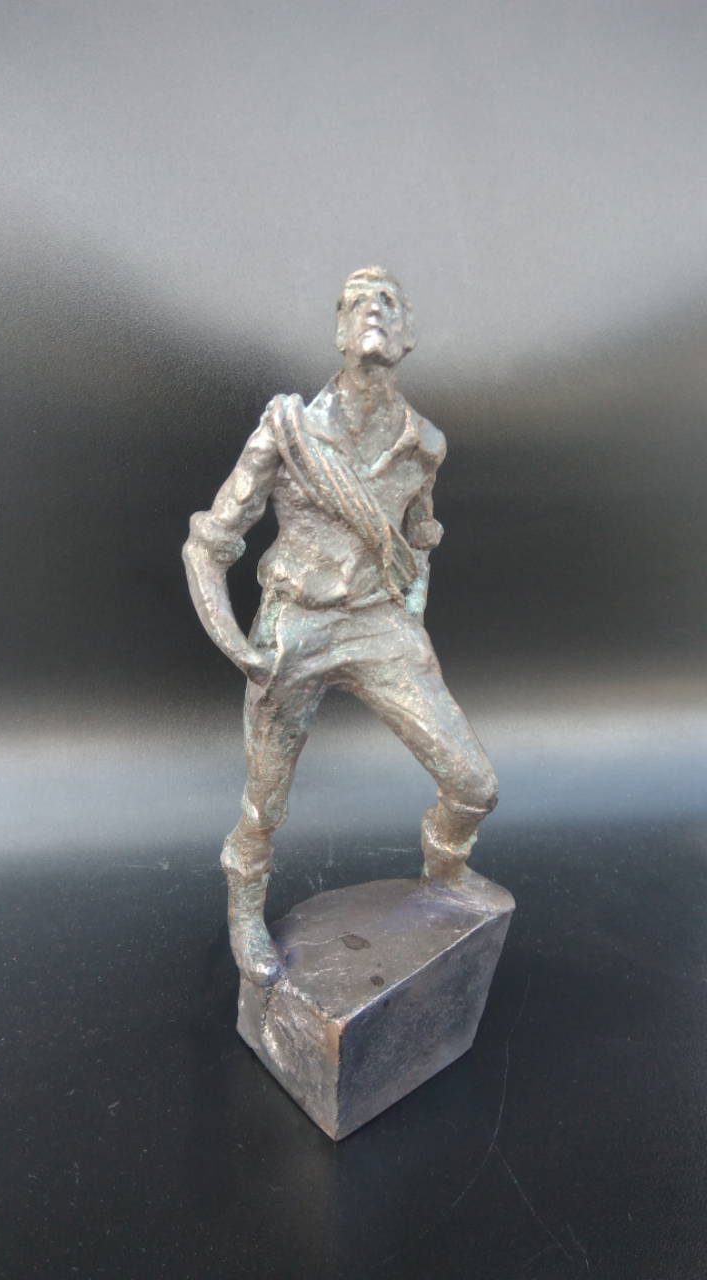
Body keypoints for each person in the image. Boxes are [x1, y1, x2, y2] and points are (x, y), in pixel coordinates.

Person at [183, 267, 498, 986]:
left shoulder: (424, 445)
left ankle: (446, 874)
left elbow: (418, 538)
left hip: (380, 627)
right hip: (294, 629)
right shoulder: (288, 430)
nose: (373, 310)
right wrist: (239, 646)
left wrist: (410, 614)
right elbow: (209, 544)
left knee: (474, 785)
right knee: (265, 803)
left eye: (388, 301)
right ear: (338, 331)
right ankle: (245, 911)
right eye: (357, 301)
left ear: (409, 334)